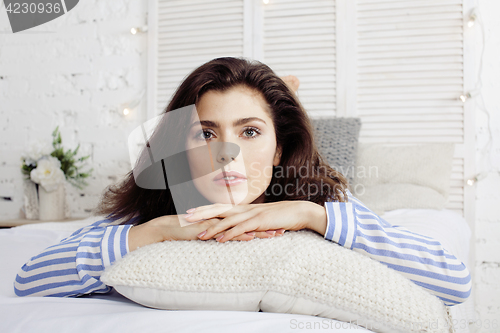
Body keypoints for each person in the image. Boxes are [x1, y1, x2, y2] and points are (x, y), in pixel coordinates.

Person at [14, 57, 471, 307]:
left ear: (277, 149)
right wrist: (158, 231)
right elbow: (27, 281)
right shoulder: (152, 212)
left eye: (249, 131)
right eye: (206, 133)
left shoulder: (324, 205)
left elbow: (454, 281)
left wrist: (310, 215)